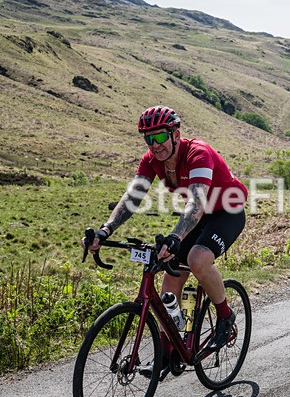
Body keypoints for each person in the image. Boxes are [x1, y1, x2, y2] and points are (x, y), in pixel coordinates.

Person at [84, 106, 247, 355]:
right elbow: (132, 199)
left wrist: (175, 237)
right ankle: (170, 347)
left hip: (227, 212)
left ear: (175, 134)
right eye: (148, 139)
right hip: (198, 218)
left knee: (196, 259)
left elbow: (196, 203)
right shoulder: (151, 160)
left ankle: (225, 316)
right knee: (170, 277)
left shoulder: (198, 153)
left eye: (159, 137)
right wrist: (105, 231)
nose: (154, 145)